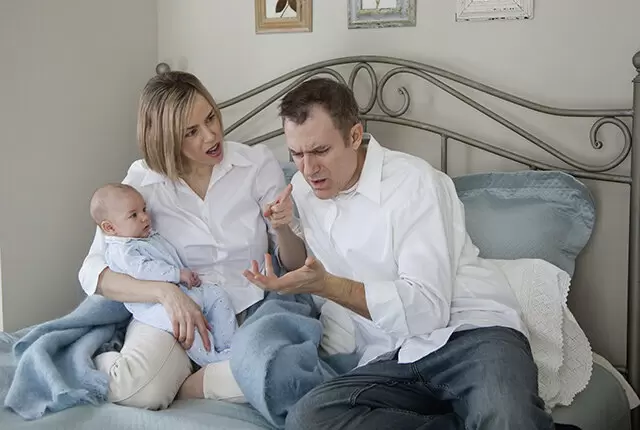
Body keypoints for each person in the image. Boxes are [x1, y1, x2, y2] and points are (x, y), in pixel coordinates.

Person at [241, 77, 560, 430]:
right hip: (392, 354)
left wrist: (328, 285)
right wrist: (283, 227)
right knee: (308, 419)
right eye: (296, 154)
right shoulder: (304, 188)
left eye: (320, 151)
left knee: (508, 419)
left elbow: (427, 310)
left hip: (470, 335)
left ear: (354, 136)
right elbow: (299, 264)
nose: (308, 167)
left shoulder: (415, 183)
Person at [78, 70, 306, 409]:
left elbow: (296, 264)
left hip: (248, 305)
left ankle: (192, 385)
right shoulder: (141, 182)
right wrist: (165, 293)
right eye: (191, 132)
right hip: (176, 312)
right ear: (166, 140)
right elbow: (93, 271)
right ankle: (120, 362)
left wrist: (283, 227)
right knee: (136, 390)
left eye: (211, 117)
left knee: (283, 378)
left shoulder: (256, 164)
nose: (212, 135)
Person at [89, 182, 237, 367]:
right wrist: (178, 274)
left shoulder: (145, 236)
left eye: (144, 209)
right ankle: (212, 359)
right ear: (110, 228)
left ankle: (229, 345)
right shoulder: (122, 251)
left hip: (185, 291)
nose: (145, 217)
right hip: (156, 306)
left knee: (216, 295)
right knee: (185, 325)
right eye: (133, 215)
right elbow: (145, 271)